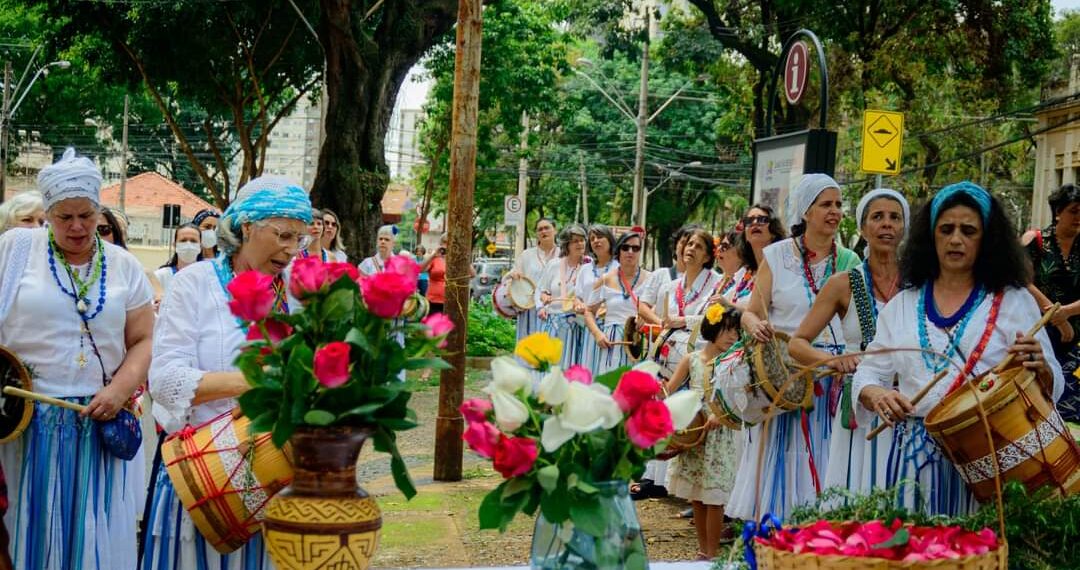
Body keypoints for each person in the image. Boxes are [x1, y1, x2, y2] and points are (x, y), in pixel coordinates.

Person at [852, 181, 1063, 516]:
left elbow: (1050, 380)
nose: (955, 239)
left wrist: (1041, 367)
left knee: (977, 556)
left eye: (969, 231)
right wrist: (875, 394)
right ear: (930, 237)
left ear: (987, 240)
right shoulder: (903, 304)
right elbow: (869, 370)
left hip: (990, 457)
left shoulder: (1012, 301)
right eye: (946, 229)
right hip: (912, 463)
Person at [144, 175, 312, 568]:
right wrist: (256, 384)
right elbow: (166, 380)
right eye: (283, 235)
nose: (291, 250)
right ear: (247, 226)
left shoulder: (300, 293)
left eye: (299, 239)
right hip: (206, 473)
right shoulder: (195, 285)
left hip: (279, 472)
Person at [0, 148, 154, 569]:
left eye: (86, 215)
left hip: (96, 424)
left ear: (99, 210)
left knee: (91, 538)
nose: (77, 226)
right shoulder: (15, 250)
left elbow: (143, 339)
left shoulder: (123, 266)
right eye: (64, 216)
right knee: (25, 529)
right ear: (47, 213)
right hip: (24, 425)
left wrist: (121, 389)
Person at [732, 173, 861, 521]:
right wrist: (755, 325)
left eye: (838, 205)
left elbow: (863, 322)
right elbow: (751, 314)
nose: (835, 211)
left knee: (825, 469)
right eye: (826, 204)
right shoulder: (775, 256)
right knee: (784, 473)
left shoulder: (852, 262)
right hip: (785, 381)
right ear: (806, 211)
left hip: (832, 382)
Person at [789, 189, 909, 496]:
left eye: (895, 217)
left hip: (910, 403)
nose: (886, 225)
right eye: (877, 217)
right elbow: (797, 344)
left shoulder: (920, 282)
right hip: (861, 407)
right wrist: (831, 360)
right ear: (862, 228)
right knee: (858, 492)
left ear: (904, 227)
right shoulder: (843, 283)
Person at [665, 302, 742, 560]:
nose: (733, 337)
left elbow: (741, 397)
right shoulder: (692, 359)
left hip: (720, 435)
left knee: (714, 496)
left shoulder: (734, 361)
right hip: (694, 431)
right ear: (712, 328)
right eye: (727, 330)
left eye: (737, 332)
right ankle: (702, 550)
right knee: (696, 495)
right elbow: (670, 388)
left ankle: (713, 553)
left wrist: (722, 414)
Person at [1023, 183, 1080, 422]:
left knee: (1073, 408)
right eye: (1074, 211)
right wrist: (1055, 315)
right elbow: (1019, 279)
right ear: (1058, 212)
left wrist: (1066, 313)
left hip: (1076, 342)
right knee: (1037, 404)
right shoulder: (1035, 241)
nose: (1079, 217)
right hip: (1040, 338)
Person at [584, 230, 652, 374]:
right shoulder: (605, 279)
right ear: (618, 251)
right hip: (611, 343)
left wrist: (646, 321)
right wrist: (597, 334)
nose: (630, 252)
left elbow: (658, 314)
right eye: (625, 247)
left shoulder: (651, 279)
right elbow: (589, 311)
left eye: (635, 248)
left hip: (638, 343)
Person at [537, 224, 588, 369]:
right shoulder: (554, 265)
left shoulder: (589, 266)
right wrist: (545, 297)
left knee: (570, 368)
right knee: (550, 368)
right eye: (575, 241)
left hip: (576, 325)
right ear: (567, 244)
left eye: (582, 240)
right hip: (553, 323)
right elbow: (543, 290)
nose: (580, 244)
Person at [720, 205, 786, 308]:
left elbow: (766, 310)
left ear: (773, 231)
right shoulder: (744, 273)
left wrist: (729, 306)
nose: (755, 223)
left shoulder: (782, 269)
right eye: (749, 220)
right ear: (745, 236)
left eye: (762, 219)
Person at [506, 218, 558, 341]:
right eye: (540, 229)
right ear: (536, 234)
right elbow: (512, 275)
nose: (543, 231)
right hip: (530, 309)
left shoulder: (563, 254)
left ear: (555, 230)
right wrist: (514, 275)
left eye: (547, 228)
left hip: (555, 309)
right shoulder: (527, 255)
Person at [577, 225, 617, 373]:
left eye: (600, 237)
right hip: (590, 328)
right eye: (592, 239)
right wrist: (579, 305)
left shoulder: (619, 267)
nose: (596, 241)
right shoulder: (585, 269)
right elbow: (578, 297)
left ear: (610, 240)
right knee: (588, 369)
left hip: (611, 329)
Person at [153, 223, 204, 301]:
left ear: (200, 247)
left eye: (193, 241)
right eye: (183, 240)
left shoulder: (209, 278)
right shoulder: (160, 276)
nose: (188, 244)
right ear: (175, 245)